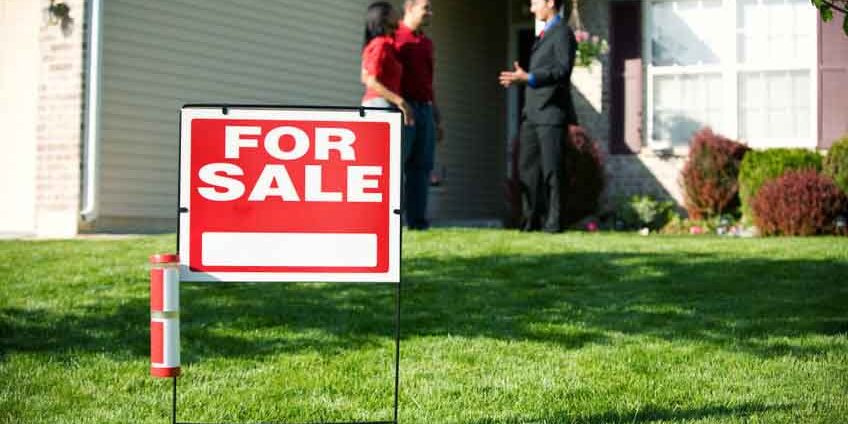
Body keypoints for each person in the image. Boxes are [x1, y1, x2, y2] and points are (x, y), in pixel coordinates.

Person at [499, 0, 577, 233]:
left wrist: (530, 78)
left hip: (551, 112)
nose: (532, 9)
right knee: (527, 170)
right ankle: (529, 221)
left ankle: (555, 223)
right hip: (531, 114)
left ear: (550, 2)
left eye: (535, 3)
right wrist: (522, 78)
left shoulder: (563, 33)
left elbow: (562, 70)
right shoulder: (543, 34)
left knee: (552, 170)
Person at [395, 0, 442, 230]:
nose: (430, 13)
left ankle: (417, 222)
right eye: (426, 8)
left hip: (425, 110)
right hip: (403, 109)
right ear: (410, 8)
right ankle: (391, 221)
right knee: (397, 165)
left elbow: (429, 83)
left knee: (422, 167)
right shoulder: (395, 37)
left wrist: (437, 116)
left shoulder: (426, 43)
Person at [361, 1, 413, 125]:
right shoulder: (380, 44)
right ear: (384, 18)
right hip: (379, 105)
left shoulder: (381, 44)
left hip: (381, 103)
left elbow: (363, 76)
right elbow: (370, 81)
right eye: (392, 11)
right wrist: (400, 101)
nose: (397, 14)